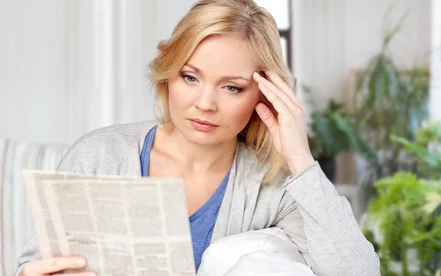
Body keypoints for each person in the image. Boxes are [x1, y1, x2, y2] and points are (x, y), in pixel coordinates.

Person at [16, 0, 380, 275]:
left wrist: (300, 157)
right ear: (169, 74)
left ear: (264, 95)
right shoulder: (99, 156)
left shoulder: (273, 187)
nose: (204, 104)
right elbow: (36, 263)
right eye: (190, 77)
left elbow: (357, 271)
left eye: (232, 87)